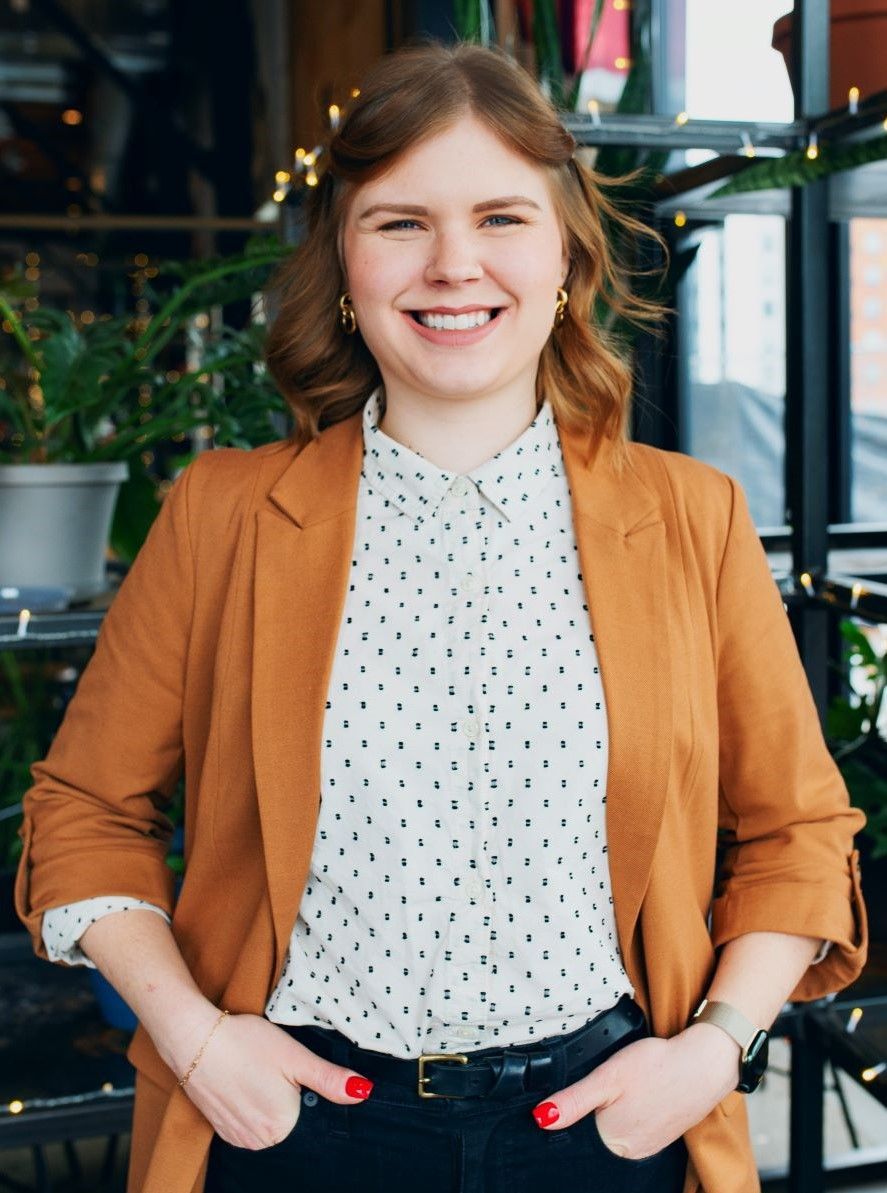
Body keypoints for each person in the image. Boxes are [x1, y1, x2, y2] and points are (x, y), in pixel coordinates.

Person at [16, 38, 867, 1193]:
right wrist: (196, 1038)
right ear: (345, 264)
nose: (452, 264)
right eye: (400, 222)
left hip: (606, 1133)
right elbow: (83, 810)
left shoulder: (689, 516)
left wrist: (714, 1048)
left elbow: (797, 831)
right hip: (292, 1131)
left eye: (500, 218)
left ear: (565, 256)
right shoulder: (223, 513)